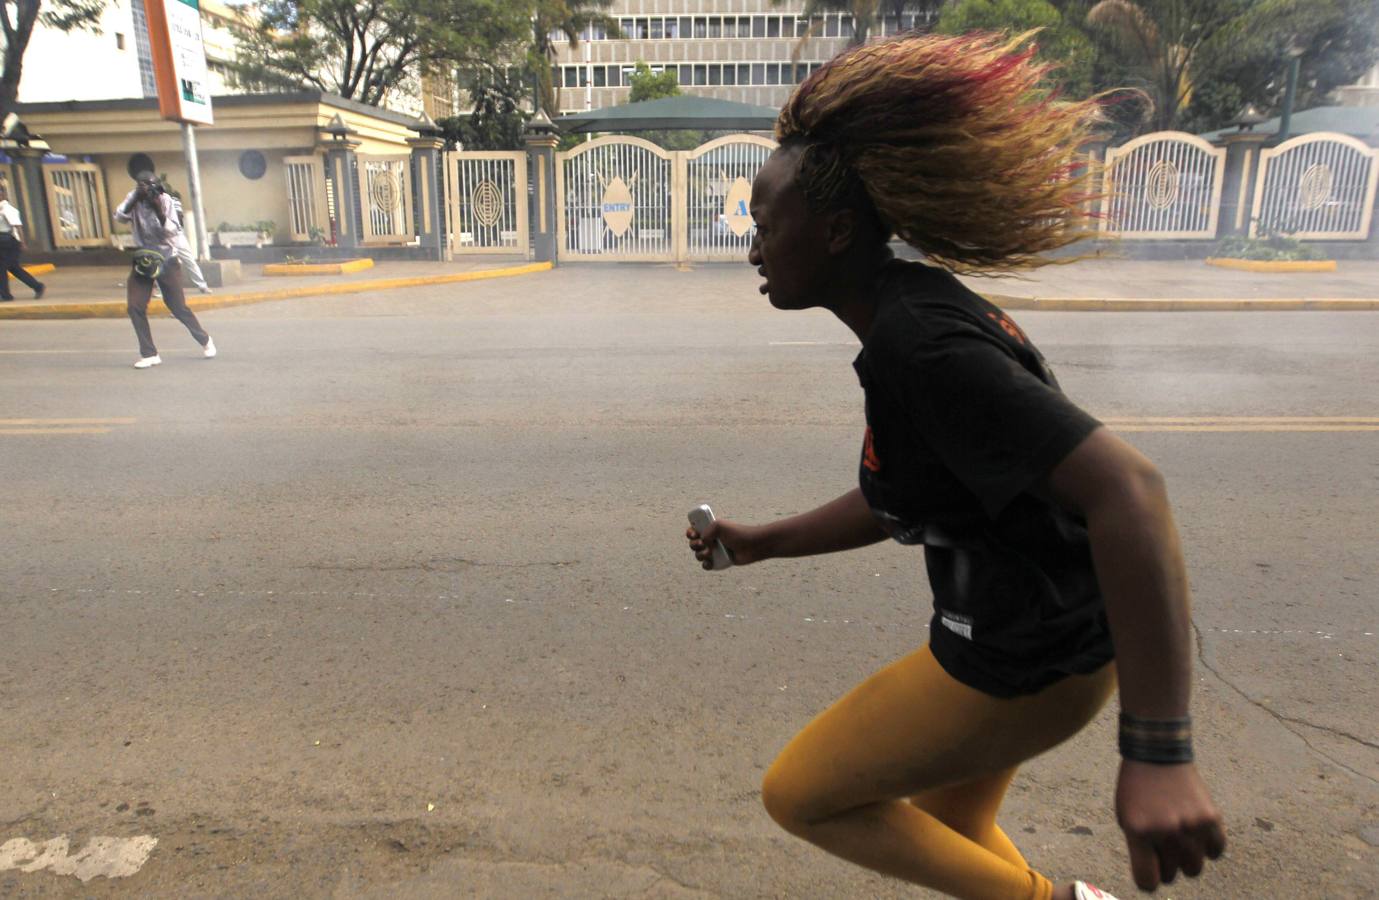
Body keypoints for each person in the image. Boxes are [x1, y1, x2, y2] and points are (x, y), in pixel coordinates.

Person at [685, 32, 1225, 900]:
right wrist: (763, 543)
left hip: (1025, 665)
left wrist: (1159, 752)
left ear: (833, 232)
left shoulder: (920, 345)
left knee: (801, 794)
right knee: (951, 831)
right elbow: (914, 494)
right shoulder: (912, 312)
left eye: (763, 224)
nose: (752, 248)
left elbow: (1130, 490)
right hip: (1044, 644)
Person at [114, 171, 216, 368]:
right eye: (142, 186)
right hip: (144, 260)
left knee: (177, 307)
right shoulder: (132, 198)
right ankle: (149, 353)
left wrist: (158, 211)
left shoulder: (166, 200)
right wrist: (134, 198)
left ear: (157, 186)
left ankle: (205, 340)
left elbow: (173, 231)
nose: (147, 190)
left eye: (150, 186)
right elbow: (119, 216)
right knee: (134, 306)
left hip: (167, 259)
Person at [0, 184, 46, 302]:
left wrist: (22, 242)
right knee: (14, 268)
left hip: (10, 243)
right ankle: (37, 286)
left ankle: (5, 295)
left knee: (2, 268)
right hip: (2, 242)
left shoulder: (8, 209)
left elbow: (18, 226)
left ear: (3, 194)